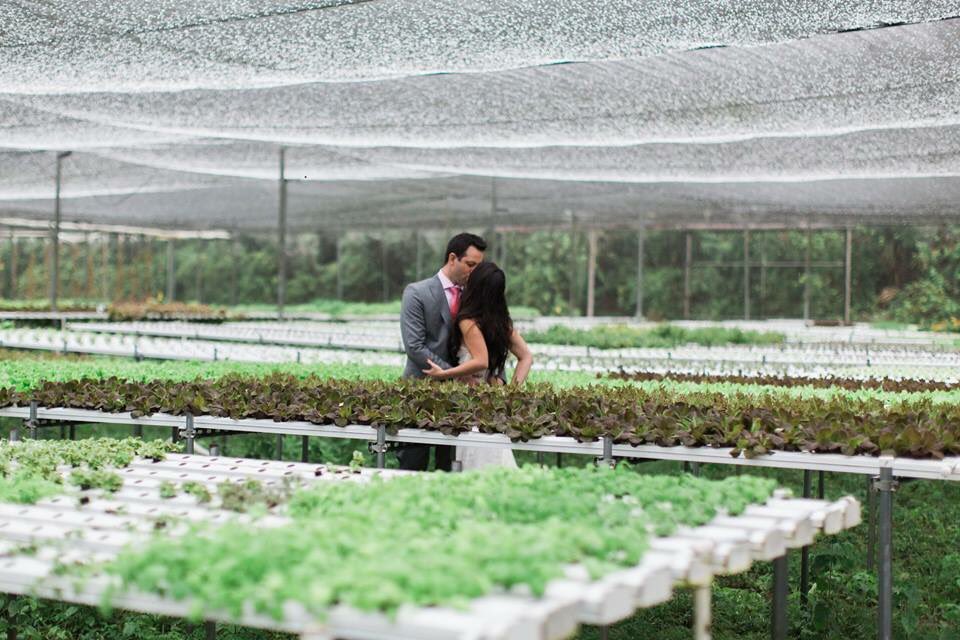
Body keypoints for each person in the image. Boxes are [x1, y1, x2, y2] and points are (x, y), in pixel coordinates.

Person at [421, 261, 534, 470]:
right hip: (493, 401)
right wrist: (510, 391)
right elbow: (526, 356)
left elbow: (481, 361)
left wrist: (445, 373)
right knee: (496, 456)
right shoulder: (501, 321)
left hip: (471, 401)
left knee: (474, 459)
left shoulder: (468, 321)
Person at [398, 232, 487, 471]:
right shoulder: (417, 293)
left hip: (460, 399)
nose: (473, 272)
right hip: (421, 390)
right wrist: (458, 374)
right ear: (452, 258)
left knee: (450, 467)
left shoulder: (475, 296)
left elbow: (489, 340)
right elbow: (415, 346)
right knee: (412, 464)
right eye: (470, 265)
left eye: (478, 267)